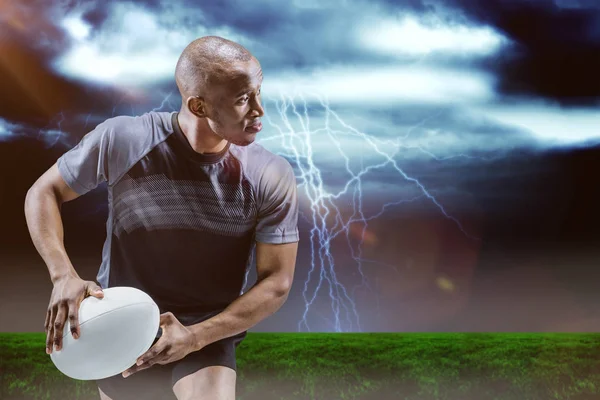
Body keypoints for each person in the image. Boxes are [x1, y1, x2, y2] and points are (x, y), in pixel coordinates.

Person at [24, 36, 299, 400]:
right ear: (198, 106)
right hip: (122, 318)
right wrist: (63, 275)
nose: (260, 110)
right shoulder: (124, 140)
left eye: (258, 92)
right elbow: (43, 192)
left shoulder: (269, 174)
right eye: (243, 98)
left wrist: (197, 335)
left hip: (207, 329)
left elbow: (277, 281)